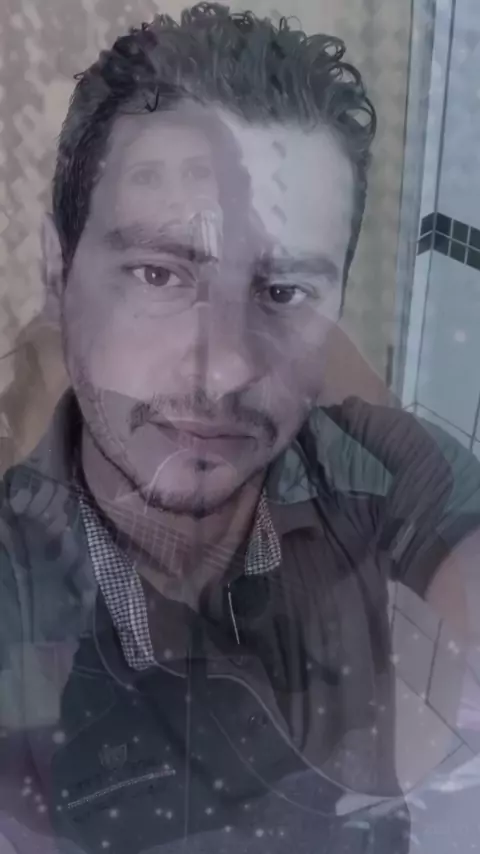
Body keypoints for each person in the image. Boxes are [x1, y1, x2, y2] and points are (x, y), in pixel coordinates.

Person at [1, 4, 479, 853]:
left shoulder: (375, 472)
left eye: (284, 292)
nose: (222, 370)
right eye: (159, 274)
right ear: (56, 268)